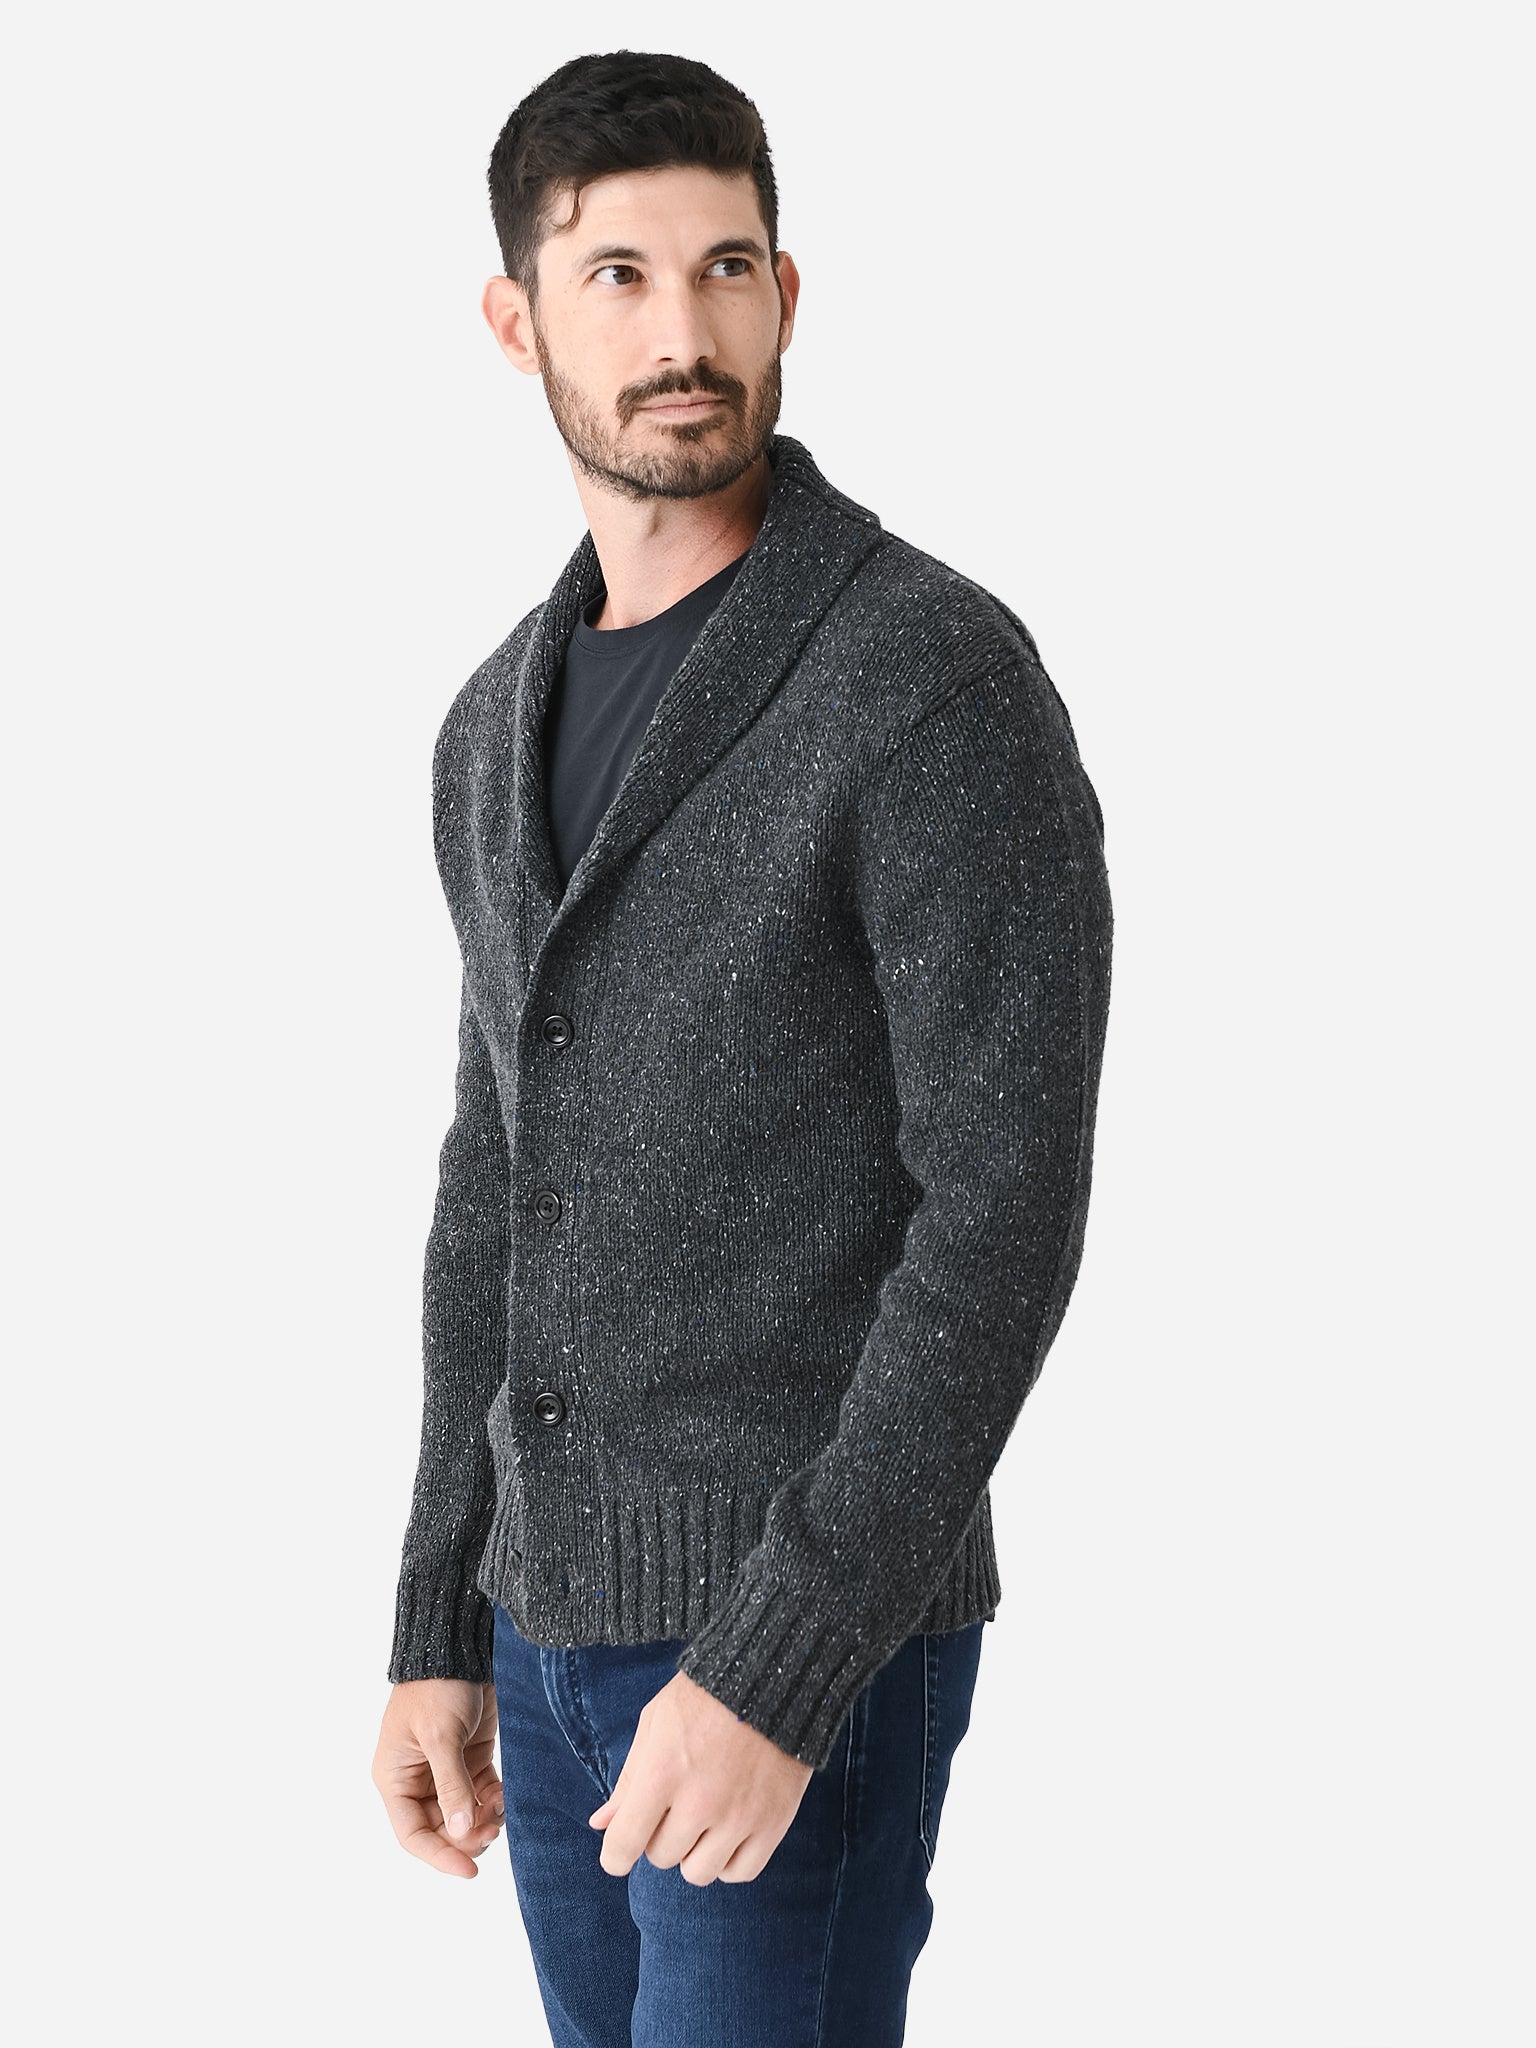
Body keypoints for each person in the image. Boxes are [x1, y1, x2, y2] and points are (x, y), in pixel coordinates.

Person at [371, 47, 1114, 2048]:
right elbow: (491, 1187)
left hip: (799, 1642)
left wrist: (783, 1660)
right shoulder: (492, 724)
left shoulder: (924, 677)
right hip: (545, 1634)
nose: (681, 334)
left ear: (788, 293)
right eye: (616, 276)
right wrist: (440, 1608)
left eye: (724, 269)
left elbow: (1003, 1211)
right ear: (517, 320)